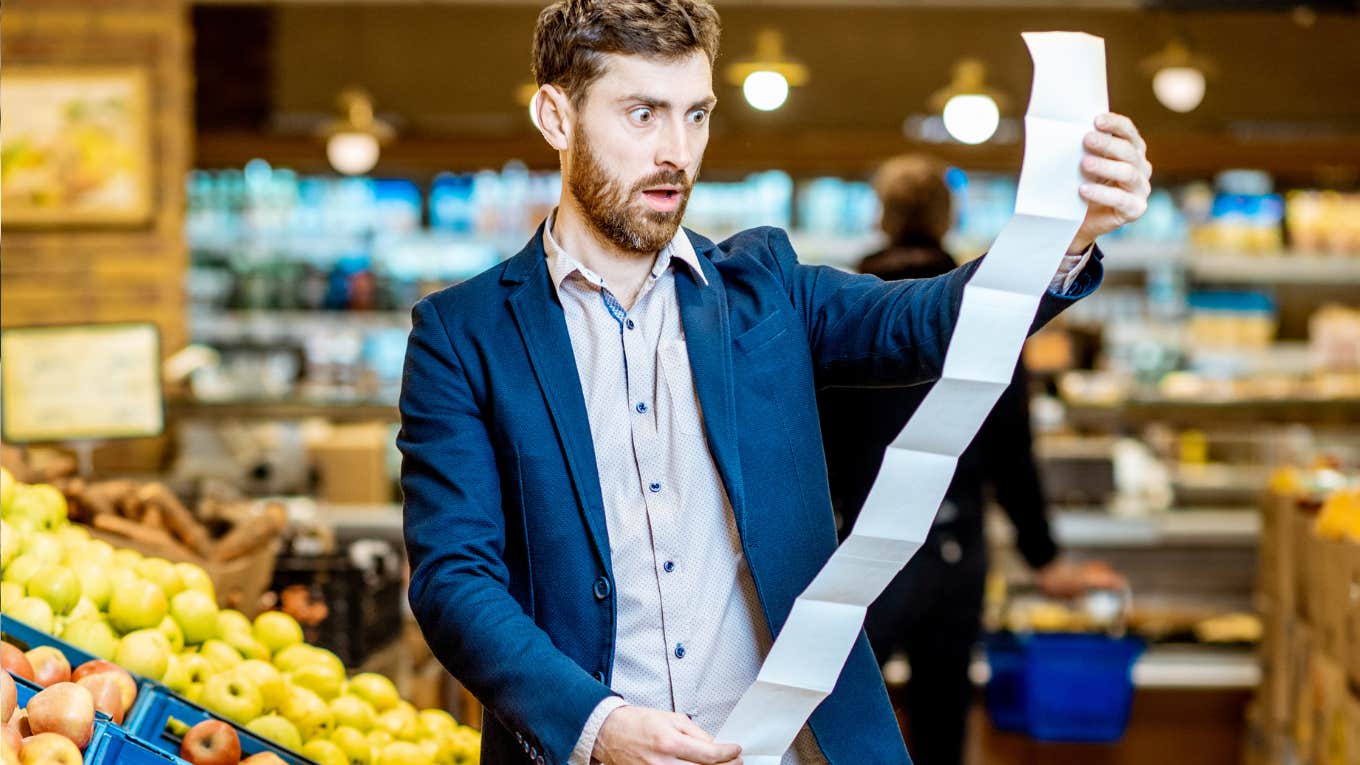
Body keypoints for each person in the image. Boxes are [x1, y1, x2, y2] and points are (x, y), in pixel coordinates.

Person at [396, 2, 1152, 763]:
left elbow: (926, 319)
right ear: (556, 116)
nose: (677, 152)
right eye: (642, 114)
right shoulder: (461, 337)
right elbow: (454, 579)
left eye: (696, 115)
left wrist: (1066, 231)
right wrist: (598, 725)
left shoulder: (765, 289)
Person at [818, 155, 1125, 765]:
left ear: (881, 216)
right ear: (948, 215)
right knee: (944, 721)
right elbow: (1012, 447)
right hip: (956, 551)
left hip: (858, 549)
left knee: (834, 722)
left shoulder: (843, 306)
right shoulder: (976, 305)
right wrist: (1044, 558)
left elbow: (811, 440)